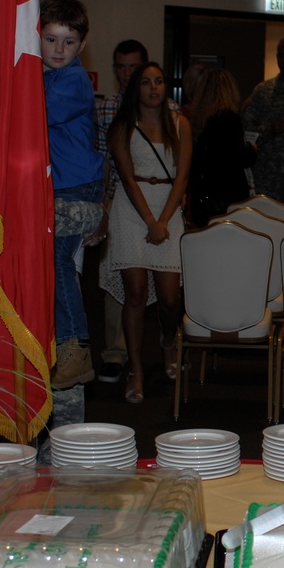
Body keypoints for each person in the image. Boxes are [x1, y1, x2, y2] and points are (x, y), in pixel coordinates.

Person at [106, 62, 191, 404]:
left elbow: (183, 176)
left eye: (158, 81)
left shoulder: (180, 123)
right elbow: (126, 179)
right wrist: (149, 222)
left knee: (170, 298)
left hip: (168, 209)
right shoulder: (123, 127)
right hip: (131, 211)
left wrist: (164, 220)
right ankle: (136, 369)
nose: (153, 88)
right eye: (145, 82)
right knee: (136, 294)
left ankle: (168, 341)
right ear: (135, 89)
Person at [41, 0, 104, 390]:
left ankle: (76, 350)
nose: (59, 49)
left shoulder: (72, 80)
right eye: (50, 40)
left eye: (68, 41)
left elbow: (36, 113)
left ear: (82, 44)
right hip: (62, 183)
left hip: (74, 185)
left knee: (58, 261)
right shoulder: (50, 76)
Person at [94, 39, 148, 384]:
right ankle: (116, 352)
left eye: (133, 67)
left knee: (162, 284)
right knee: (117, 278)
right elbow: (101, 161)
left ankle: (165, 343)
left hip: (156, 201)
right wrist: (100, 206)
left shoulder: (165, 107)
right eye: (121, 67)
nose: (126, 73)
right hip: (117, 202)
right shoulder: (106, 108)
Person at [242, 37, 284, 204]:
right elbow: (247, 129)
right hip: (266, 175)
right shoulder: (262, 91)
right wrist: (269, 128)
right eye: (281, 56)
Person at [188, 67, 256, 226]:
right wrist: (252, 151)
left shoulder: (197, 120)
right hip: (227, 197)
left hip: (203, 196)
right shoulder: (230, 118)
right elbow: (238, 157)